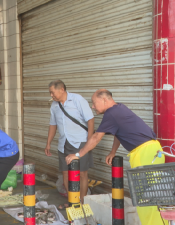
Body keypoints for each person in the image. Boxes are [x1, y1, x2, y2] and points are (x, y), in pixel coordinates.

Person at [65, 89, 166, 225]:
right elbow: (118, 132)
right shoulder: (119, 109)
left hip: (146, 154)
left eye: (94, 103)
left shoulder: (111, 113)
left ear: (104, 100)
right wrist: (113, 151)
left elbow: (96, 137)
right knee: (152, 194)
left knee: (146, 198)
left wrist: (78, 155)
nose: (93, 106)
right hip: (150, 151)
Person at [45, 80, 94, 206]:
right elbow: (53, 125)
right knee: (65, 173)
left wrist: (89, 141)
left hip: (80, 142)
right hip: (63, 143)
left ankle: (82, 201)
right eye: (50, 93)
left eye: (52, 92)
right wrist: (48, 143)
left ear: (61, 89)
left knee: (82, 173)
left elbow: (90, 120)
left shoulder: (78, 100)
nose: (51, 95)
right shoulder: (54, 106)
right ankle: (72, 200)